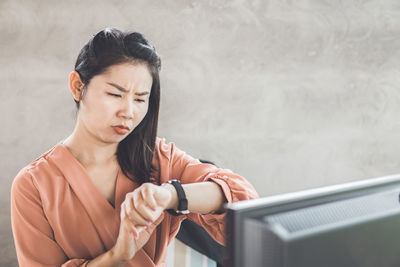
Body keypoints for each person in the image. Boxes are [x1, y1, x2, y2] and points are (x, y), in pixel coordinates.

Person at [10, 28, 259, 267]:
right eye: (115, 95)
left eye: (140, 99)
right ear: (77, 86)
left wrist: (170, 196)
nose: (128, 112)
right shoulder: (34, 185)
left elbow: (244, 203)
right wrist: (119, 255)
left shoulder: (160, 159)